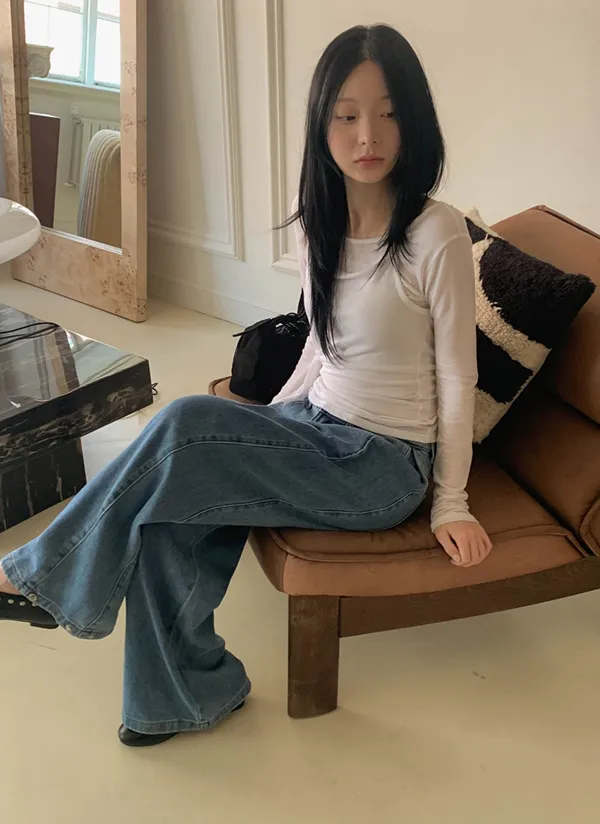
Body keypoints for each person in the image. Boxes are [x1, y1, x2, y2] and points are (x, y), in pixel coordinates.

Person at [0, 24, 492, 747]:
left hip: (383, 466)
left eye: (389, 113)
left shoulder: (436, 231)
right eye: (346, 115)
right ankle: (183, 697)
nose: (368, 136)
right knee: (169, 508)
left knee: (188, 421)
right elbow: (323, 346)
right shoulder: (318, 224)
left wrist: (451, 502)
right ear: (321, 124)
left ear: (414, 118)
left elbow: (458, 373)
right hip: (317, 427)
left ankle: (40, 576)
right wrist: (267, 422)